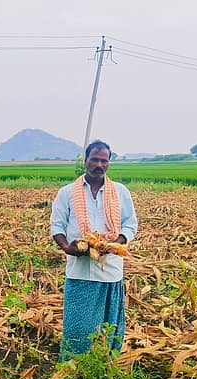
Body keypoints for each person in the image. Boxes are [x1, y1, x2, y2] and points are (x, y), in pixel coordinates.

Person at [50, 140, 138, 361]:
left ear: (108, 163)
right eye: (94, 159)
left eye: (104, 160)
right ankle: (73, 366)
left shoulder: (120, 192)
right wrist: (68, 248)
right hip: (79, 271)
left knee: (108, 326)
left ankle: (104, 364)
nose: (99, 164)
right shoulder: (67, 192)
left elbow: (130, 224)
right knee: (79, 325)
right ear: (85, 160)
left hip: (110, 271)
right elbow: (57, 226)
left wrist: (115, 242)